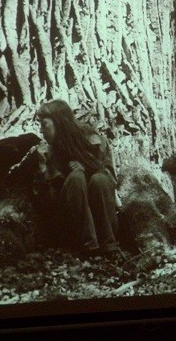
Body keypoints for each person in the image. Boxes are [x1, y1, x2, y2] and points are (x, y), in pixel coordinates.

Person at [37, 99, 120, 258]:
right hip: (70, 226)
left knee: (100, 179)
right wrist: (43, 170)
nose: (41, 130)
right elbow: (49, 202)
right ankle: (87, 247)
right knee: (76, 178)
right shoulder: (49, 153)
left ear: (59, 122)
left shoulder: (93, 140)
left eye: (44, 124)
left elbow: (110, 179)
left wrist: (88, 168)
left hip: (103, 216)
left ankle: (109, 245)